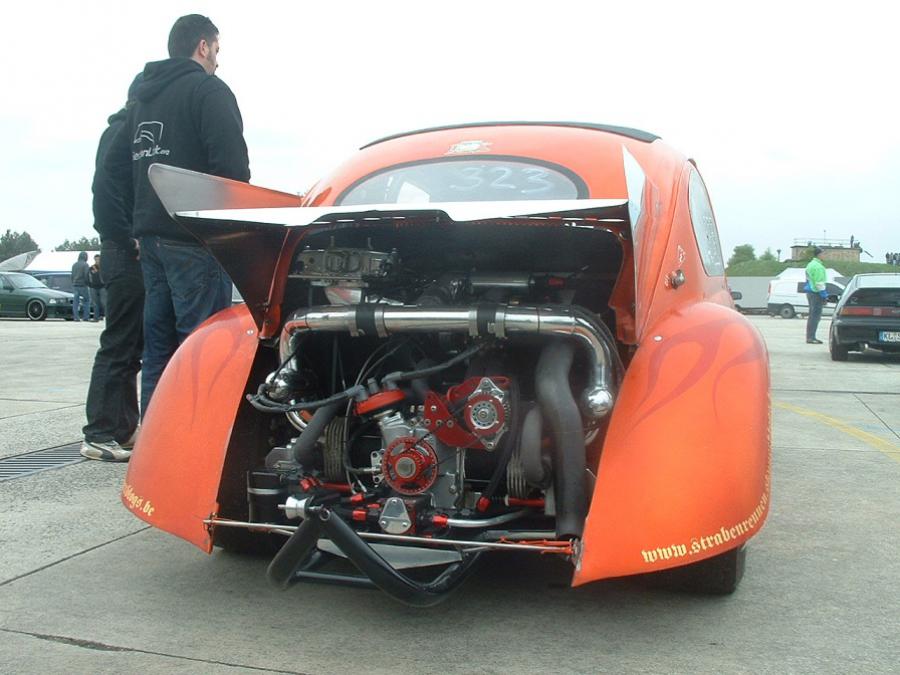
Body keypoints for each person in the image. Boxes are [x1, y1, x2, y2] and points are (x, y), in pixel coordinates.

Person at [102, 14, 250, 416]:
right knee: (201, 346)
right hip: (195, 238)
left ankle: (157, 437)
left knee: (159, 350)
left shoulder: (143, 99)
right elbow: (232, 170)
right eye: (216, 49)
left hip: (151, 239)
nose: (218, 59)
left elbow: (114, 167)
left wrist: (134, 224)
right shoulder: (208, 90)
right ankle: (198, 436)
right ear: (203, 46)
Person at [81, 74, 146, 462]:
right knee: (119, 345)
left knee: (130, 347)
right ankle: (99, 432)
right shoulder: (122, 132)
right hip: (124, 251)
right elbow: (103, 192)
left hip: (127, 249)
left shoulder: (126, 132)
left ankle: (121, 429)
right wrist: (125, 237)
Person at [804, 247, 828, 344]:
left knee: (812, 316)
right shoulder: (818, 267)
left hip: (810, 292)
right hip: (816, 293)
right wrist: (824, 295)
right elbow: (819, 283)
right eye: (824, 254)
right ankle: (811, 337)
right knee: (815, 316)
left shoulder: (810, 264)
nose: (825, 256)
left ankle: (810, 336)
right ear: (819, 254)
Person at [70, 251, 91, 321]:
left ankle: (76, 317)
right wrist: (88, 283)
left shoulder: (74, 265)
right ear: (85, 257)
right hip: (83, 285)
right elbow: (86, 275)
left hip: (75, 285)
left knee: (76, 302)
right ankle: (86, 317)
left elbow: (72, 275)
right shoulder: (85, 265)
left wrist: (73, 282)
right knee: (86, 301)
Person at [87, 254, 106, 321]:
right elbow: (88, 277)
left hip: (102, 287)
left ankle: (104, 315)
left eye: (98, 259)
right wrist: (89, 284)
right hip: (93, 287)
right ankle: (96, 317)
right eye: (96, 259)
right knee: (95, 303)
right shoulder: (92, 268)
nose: (97, 260)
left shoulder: (104, 267)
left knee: (103, 302)